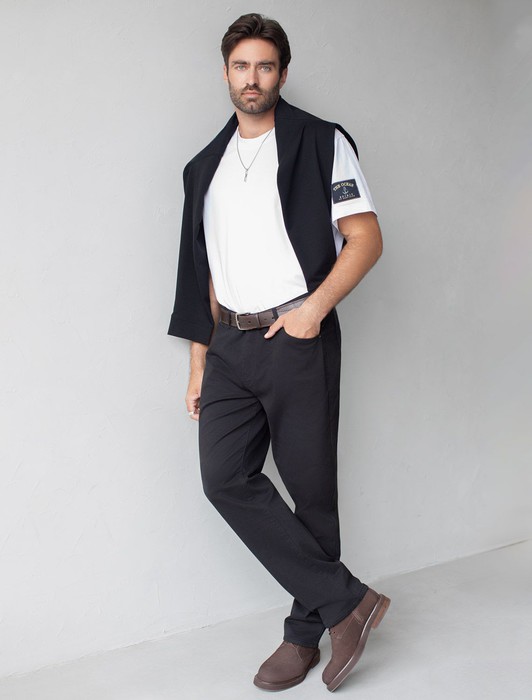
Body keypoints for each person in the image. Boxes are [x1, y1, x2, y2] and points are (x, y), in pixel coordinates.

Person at [168, 12, 390, 693]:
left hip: (296, 336)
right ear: (225, 74)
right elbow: (201, 273)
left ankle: (303, 636)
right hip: (229, 344)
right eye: (241, 66)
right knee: (224, 478)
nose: (253, 78)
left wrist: (313, 311)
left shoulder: (321, 143)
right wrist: (199, 363)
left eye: (265, 66)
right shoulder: (203, 168)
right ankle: (349, 601)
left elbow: (366, 238)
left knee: (311, 491)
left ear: (282, 74)